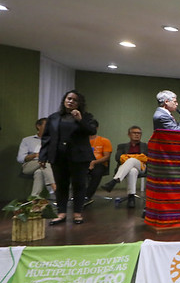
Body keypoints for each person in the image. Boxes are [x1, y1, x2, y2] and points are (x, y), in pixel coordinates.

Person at [39, 90, 98, 225]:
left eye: (74, 100)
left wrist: (80, 120)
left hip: (79, 157)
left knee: (79, 185)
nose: (70, 101)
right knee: (61, 185)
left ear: (79, 103)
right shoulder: (54, 117)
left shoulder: (86, 117)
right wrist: (43, 155)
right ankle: (61, 213)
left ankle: (77, 213)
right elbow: (47, 137)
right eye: (68, 98)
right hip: (58, 156)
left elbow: (92, 131)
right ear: (64, 100)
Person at [101, 125, 148, 209]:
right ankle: (131, 197)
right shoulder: (122, 146)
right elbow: (118, 158)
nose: (137, 135)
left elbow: (146, 158)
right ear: (129, 134)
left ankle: (114, 181)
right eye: (134, 133)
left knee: (131, 160)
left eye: (139, 133)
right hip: (127, 168)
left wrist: (129, 157)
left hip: (141, 167)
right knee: (132, 171)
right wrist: (138, 156)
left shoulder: (145, 146)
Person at [17, 118, 57, 198]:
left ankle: (34, 198)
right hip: (29, 165)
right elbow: (20, 158)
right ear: (38, 126)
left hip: (47, 165)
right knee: (44, 162)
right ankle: (54, 187)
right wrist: (35, 155)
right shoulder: (27, 140)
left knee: (39, 172)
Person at [85, 122, 112, 205]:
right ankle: (78, 195)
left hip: (99, 163)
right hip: (84, 163)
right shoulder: (82, 141)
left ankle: (87, 196)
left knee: (97, 172)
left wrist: (94, 162)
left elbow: (107, 157)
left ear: (97, 128)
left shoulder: (104, 141)